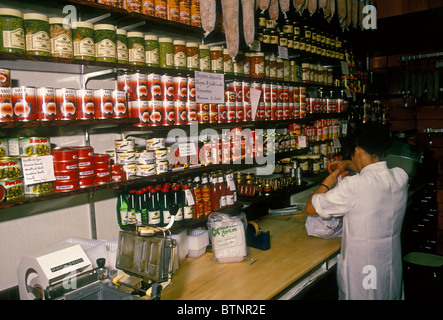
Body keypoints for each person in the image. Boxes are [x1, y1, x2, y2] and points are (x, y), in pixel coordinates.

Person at [305, 123, 409, 300]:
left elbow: (311, 207)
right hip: (389, 266)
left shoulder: (354, 186)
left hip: (365, 273)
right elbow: (372, 173)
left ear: (358, 152)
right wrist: (348, 164)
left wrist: (329, 181)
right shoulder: (400, 177)